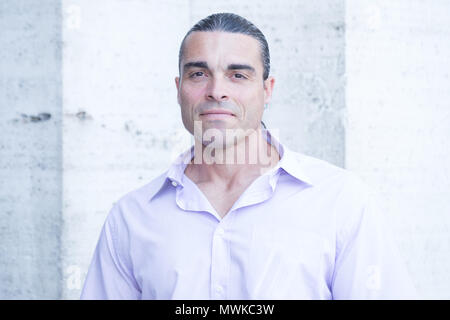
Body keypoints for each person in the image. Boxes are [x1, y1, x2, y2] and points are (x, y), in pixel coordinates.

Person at [80, 12, 417, 300]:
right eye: (198, 74)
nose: (216, 90)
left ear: (267, 90)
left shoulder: (340, 202)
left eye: (237, 75)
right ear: (179, 88)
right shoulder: (131, 218)